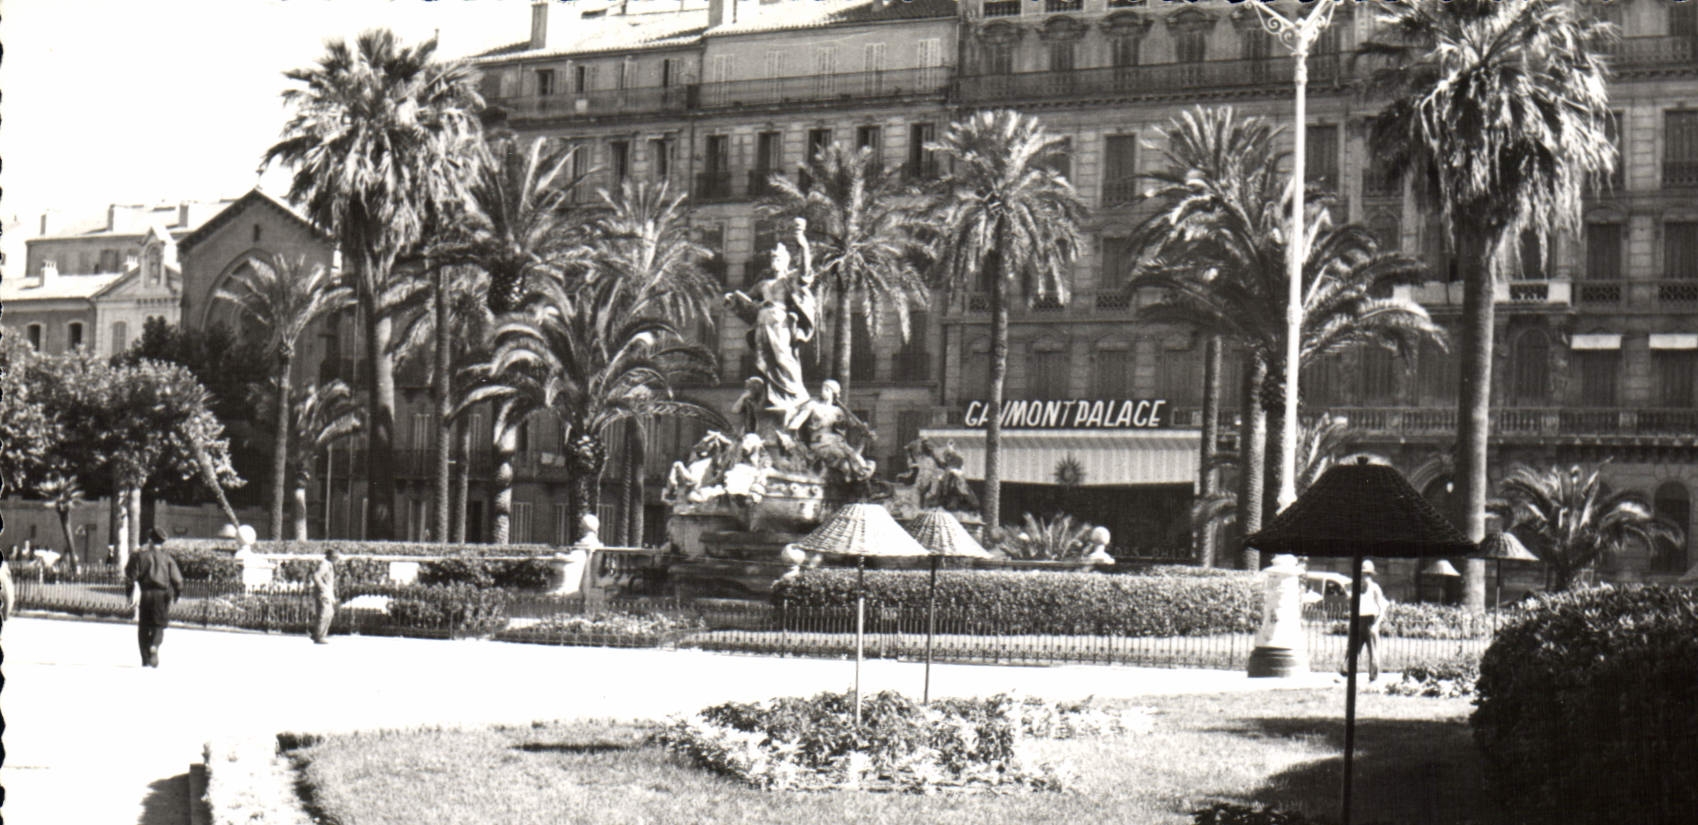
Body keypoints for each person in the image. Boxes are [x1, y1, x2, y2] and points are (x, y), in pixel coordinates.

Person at [723, 217, 818, 430]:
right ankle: (769, 396)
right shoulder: (763, 284)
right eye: (773, 258)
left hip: (780, 323)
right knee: (764, 362)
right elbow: (746, 301)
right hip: (762, 324)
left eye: (779, 258)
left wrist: (802, 243)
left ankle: (793, 394)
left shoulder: (789, 280)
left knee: (784, 359)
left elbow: (805, 272)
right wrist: (732, 300)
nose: (775, 261)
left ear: (786, 261)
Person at [124, 527, 184, 668]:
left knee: (144, 626)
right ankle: (154, 646)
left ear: (150, 540)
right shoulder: (168, 559)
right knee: (158, 625)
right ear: (162, 542)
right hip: (162, 595)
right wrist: (177, 594)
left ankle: (145, 657)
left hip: (146, 594)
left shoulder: (139, 556)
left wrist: (129, 594)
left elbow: (130, 578)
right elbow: (178, 580)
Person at [1342, 559, 1389, 682]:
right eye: (1362, 574)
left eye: (1366, 574)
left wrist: (1376, 625)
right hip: (1358, 621)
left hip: (1370, 622)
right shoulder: (1356, 588)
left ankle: (1373, 678)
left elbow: (1382, 608)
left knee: (1373, 652)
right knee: (1353, 650)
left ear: (1370, 575)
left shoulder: (1374, 588)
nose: (1364, 577)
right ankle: (1348, 676)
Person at [310, 547, 341, 644]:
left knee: (328, 613)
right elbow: (316, 576)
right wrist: (322, 587)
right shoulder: (324, 565)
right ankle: (319, 636)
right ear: (330, 556)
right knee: (325, 614)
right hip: (323, 594)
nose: (337, 558)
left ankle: (317, 634)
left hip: (326, 593)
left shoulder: (329, 565)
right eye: (335, 556)